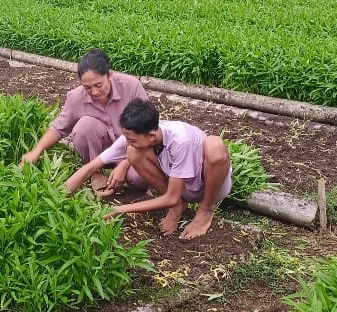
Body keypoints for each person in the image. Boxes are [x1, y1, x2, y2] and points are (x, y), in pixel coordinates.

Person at [65, 99, 233, 240]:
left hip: (208, 187)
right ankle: (178, 207)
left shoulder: (181, 140)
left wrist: (119, 210)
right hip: (179, 188)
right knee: (132, 152)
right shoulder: (139, 135)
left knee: (215, 145)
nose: (128, 143)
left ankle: (205, 211)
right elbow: (92, 166)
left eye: (132, 140)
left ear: (151, 136)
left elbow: (171, 197)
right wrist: (58, 195)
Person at [21, 48, 148, 191]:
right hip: (99, 153)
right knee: (86, 125)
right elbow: (58, 128)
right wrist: (36, 151)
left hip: (132, 150)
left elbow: (148, 127)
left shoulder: (131, 87)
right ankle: (95, 172)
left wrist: (125, 165)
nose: (94, 92)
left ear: (110, 75)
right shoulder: (76, 97)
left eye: (99, 85)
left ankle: (121, 174)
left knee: (139, 180)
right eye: (87, 87)